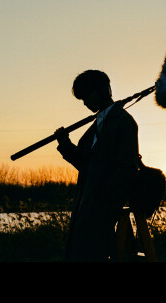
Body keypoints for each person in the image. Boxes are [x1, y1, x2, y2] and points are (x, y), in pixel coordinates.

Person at [54, 70, 139, 262]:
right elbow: (86, 165)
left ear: (104, 90)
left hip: (105, 207)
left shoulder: (123, 123)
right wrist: (65, 144)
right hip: (86, 203)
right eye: (82, 98)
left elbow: (126, 168)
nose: (85, 102)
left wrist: (103, 198)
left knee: (98, 253)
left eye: (87, 95)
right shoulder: (95, 127)